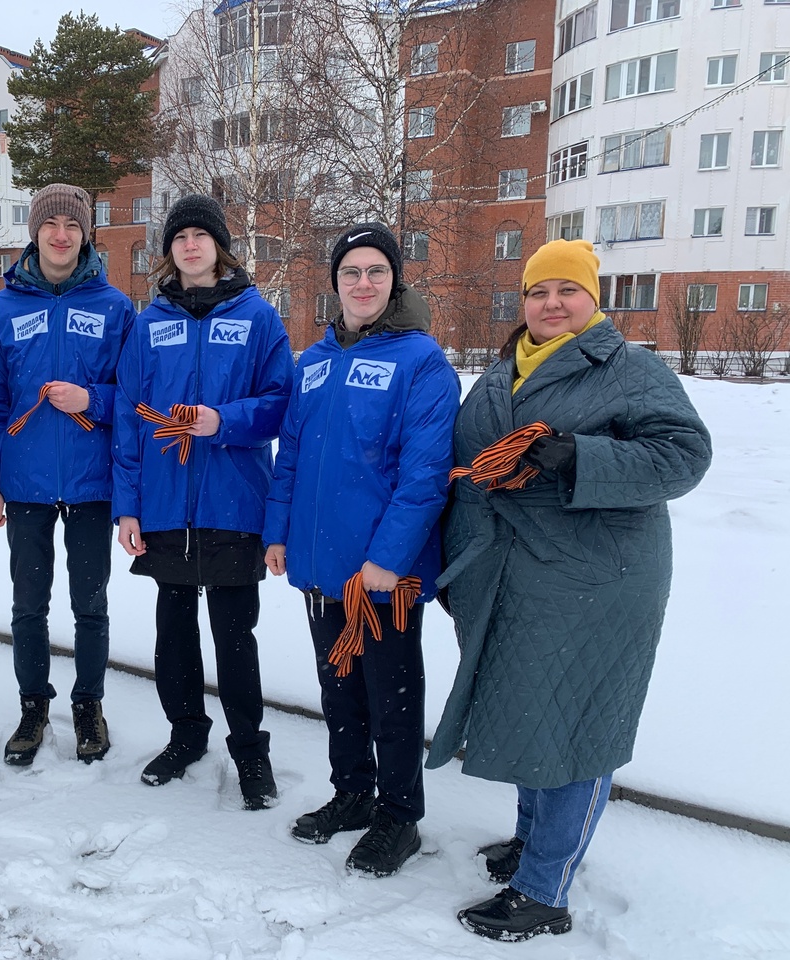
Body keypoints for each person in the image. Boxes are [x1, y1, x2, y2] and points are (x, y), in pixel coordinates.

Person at [427, 239, 713, 940]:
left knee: (578, 727)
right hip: (511, 577)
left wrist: (578, 456)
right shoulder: (502, 372)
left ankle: (545, 893)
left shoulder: (629, 368)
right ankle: (536, 846)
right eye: (537, 291)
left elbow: (684, 455)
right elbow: (468, 471)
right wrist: (453, 565)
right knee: (532, 714)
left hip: (597, 581)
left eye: (567, 290)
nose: (550, 304)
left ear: (594, 299)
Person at [263, 223, 460, 873]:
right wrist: (278, 531)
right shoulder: (313, 362)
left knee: (392, 694)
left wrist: (389, 559)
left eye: (376, 271)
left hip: (382, 575)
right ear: (335, 284)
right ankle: (351, 793)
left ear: (394, 280)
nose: (364, 283)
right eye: (351, 273)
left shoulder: (421, 361)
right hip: (321, 566)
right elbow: (289, 455)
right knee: (340, 686)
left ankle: (399, 817)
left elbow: (424, 474)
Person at [113, 194, 293, 810]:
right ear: (169, 251)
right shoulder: (149, 322)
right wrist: (128, 505)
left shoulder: (258, 318)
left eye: (201, 235)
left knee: (234, 636)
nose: (190, 245)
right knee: (174, 633)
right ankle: (187, 734)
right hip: (165, 505)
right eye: (179, 236)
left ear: (220, 245)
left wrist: (224, 420)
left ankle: (250, 751)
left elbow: (279, 406)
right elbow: (130, 417)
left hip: (234, 504)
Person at [0, 183, 135, 767]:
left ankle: (88, 704)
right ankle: (33, 706)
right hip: (24, 483)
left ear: (86, 233)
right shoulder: (3, 308)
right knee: (28, 604)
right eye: (50, 224)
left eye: (72, 223)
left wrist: (88, 399)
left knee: (90, 604)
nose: (61, 234)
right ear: (34, 232)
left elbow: (134, 397)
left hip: (93, 481)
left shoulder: (115, 306)